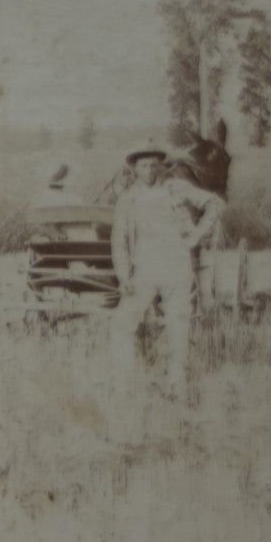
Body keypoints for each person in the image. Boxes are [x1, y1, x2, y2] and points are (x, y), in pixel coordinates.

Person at [110, 143, 224, 386]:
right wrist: (123, 276)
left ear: (161, 166)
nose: (150, 170)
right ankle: (124, 382)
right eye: (144, 166)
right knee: (122, 322)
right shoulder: (127, 199)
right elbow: (118, 241)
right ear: (134, 169)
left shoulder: (176, 189)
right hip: (144, 268)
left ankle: (177, 382)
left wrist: (194, 237)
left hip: (176, 265)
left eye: (154, 165)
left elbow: (215, 203)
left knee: (178, 322)